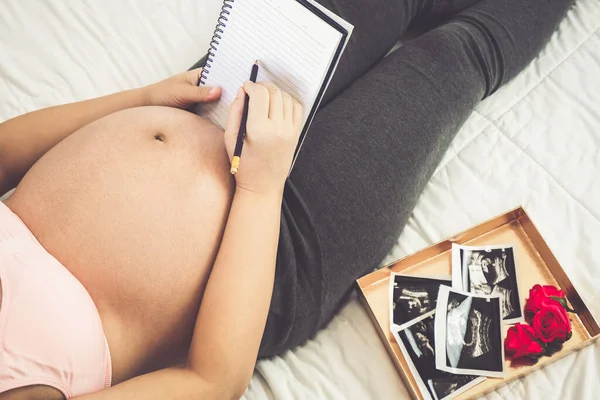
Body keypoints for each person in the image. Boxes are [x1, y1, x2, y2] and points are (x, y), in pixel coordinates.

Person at [0, 0, 572, 398]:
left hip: (210, 101)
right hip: (273, 255)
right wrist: (260, 184)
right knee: (456, 56)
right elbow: (210, 382)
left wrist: (144, 97)